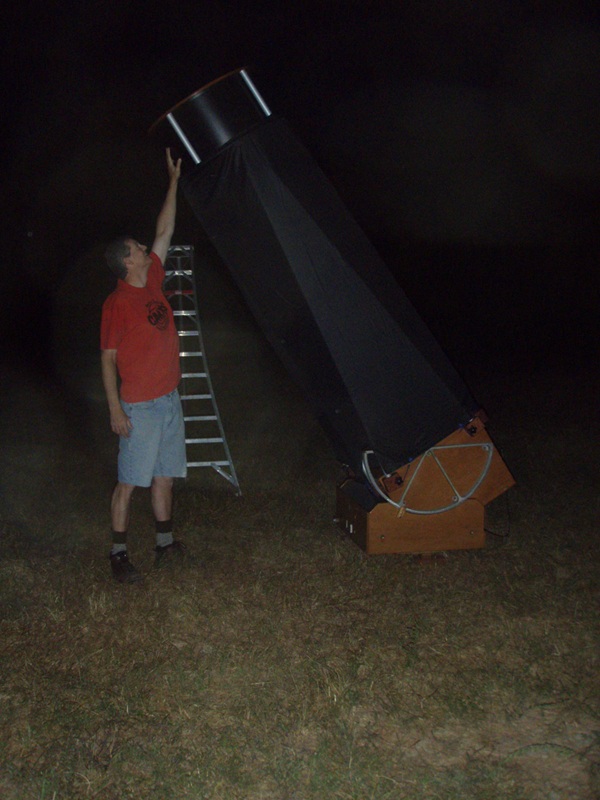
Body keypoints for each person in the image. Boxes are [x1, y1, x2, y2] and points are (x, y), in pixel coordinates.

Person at [100, 148, 187, 583]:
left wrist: (173, 183)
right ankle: (118, 555)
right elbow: (108, 357)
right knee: (129, 483)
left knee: (165, 478)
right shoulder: (117, 303)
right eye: (137, 247)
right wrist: (115, 409)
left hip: (169, 400)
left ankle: (166, 544)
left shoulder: (152, 277)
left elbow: (165, 229)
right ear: (126, 260)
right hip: (141, 407)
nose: (143, 246)